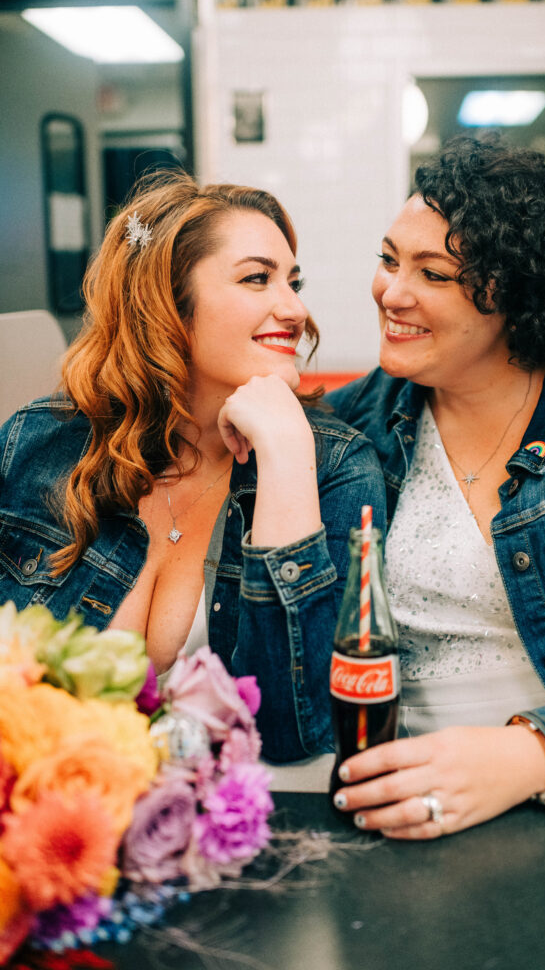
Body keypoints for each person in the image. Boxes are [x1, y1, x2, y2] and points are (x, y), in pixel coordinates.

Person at [328, 133, 545, 838]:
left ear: (513, 295)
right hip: (394, 790)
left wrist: (535, 752)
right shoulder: (343, 428)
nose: (390, 293)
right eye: (388, 260)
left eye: (431, 274)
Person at [0, 171, 385, 763]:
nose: (296, 309)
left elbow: (294, 733)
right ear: (167, 305)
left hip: (240, 821)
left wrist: (284, 457)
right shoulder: (40, 442)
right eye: (257, 278)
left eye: (293, 281)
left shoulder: (333, 463)